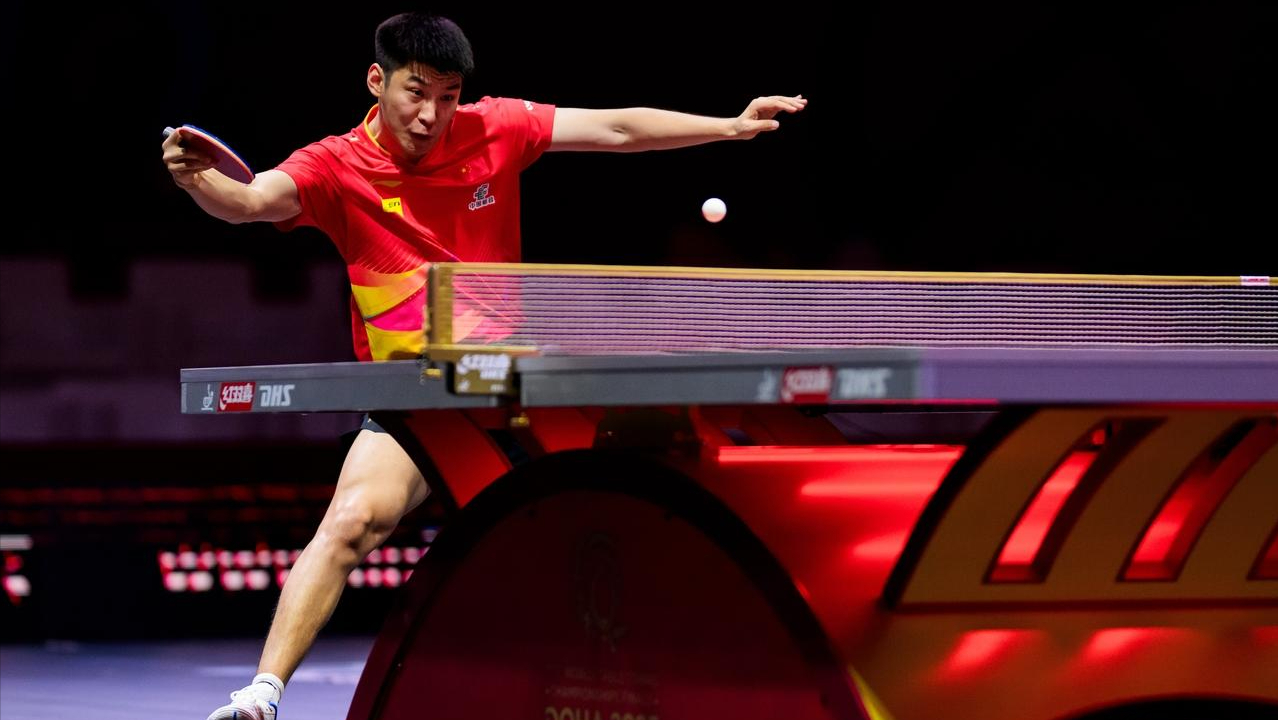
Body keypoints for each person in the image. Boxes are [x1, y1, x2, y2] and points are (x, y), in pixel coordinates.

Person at [162, 11, 805, 720]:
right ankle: (260, 696)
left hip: (511, 390)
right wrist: (198, 181)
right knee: (350, 522)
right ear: (377, 81)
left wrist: (729, 126)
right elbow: (251, 201)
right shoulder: (335, 165)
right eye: (416, 93)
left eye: (448, 96)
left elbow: (617, 129)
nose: (431, 115)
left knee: (619, 517)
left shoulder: (495, 127)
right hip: (414, 396)